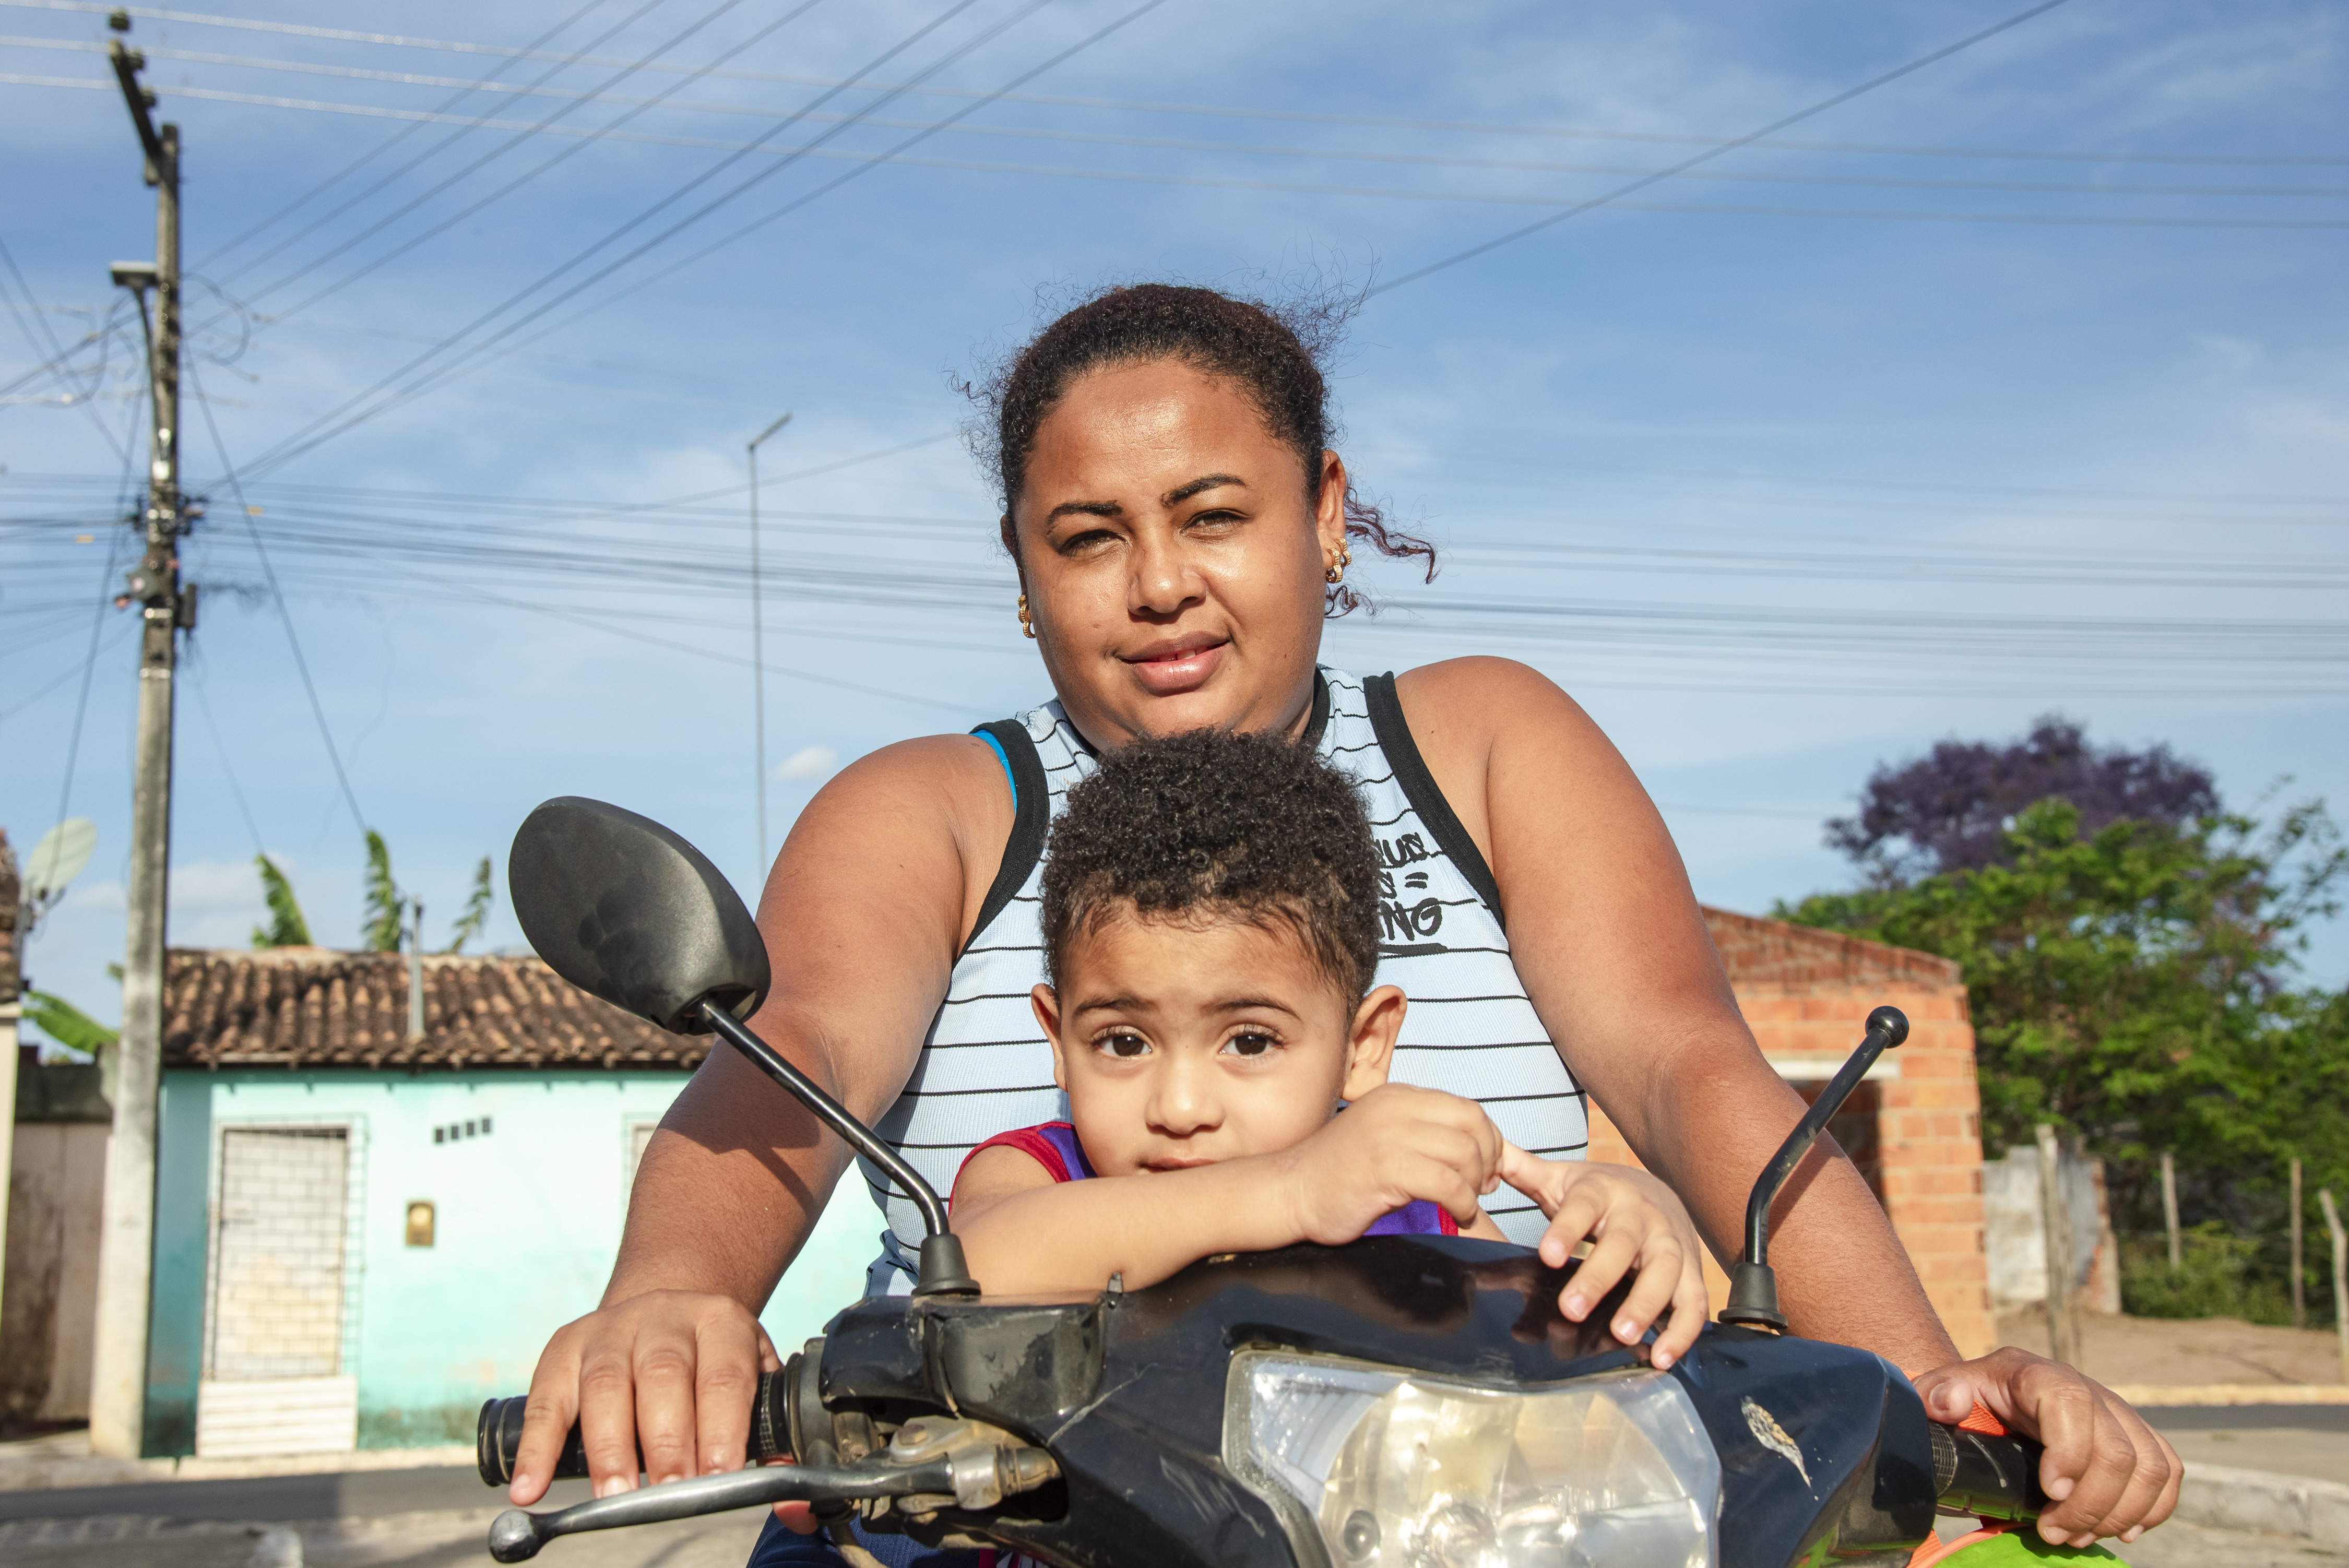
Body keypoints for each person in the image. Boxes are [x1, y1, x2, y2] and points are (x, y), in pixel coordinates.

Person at [510, 283, 2180, 1550]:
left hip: (1486, 1512)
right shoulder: (936, 806)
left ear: (1322, 512)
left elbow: (1685, 1065)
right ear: (1019, 571)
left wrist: (1925, 1385)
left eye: (1212, 516)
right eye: (1087, 539)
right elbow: (797, 1047)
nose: (1157, 583)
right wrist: (671, 1290)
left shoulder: (1485, 740)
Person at [951, 725, 1710, 1337]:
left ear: (1363, 1047)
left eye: (1250, 1041)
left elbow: (1526, 1355)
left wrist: (1620, 1251)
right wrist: (1292, 1192)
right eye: (1124, 1043)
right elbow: (972, 1274)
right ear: (1058, 1039)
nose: (1179, 1109)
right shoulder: (1040, 1177)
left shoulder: (1409, 1204)